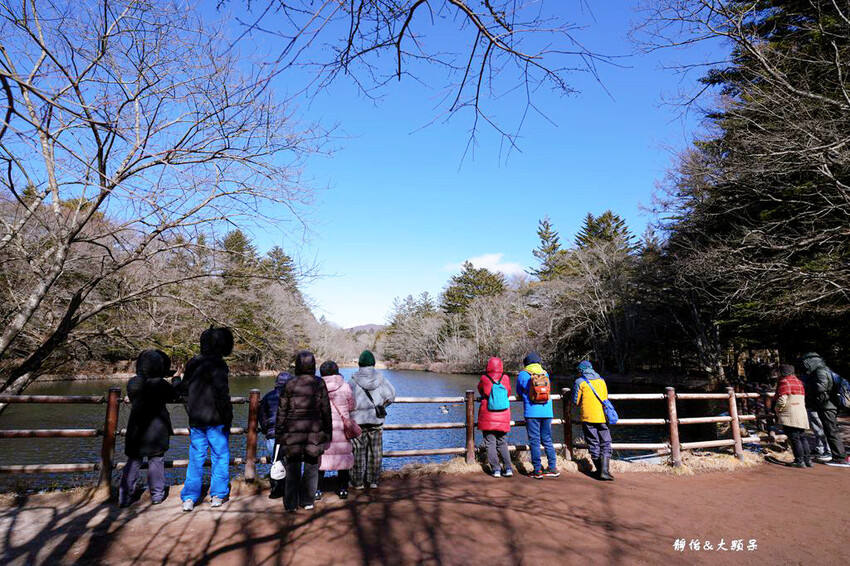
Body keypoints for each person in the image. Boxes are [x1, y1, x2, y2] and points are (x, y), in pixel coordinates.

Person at [175, 327, 234, 512]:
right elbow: (221, 394)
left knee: (196, 458)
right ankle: (217, 495)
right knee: (220, 456)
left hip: (197, 420)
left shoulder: (193, 363)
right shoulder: (219, 365)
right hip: (216, 420)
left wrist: (175, 382)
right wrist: (228, 416)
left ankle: (190, 498)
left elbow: (183, 390)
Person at [119, 349, 178, 507]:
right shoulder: (160, 384)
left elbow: (132, 396)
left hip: (136, 427)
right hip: (157, 429)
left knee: (133, 460)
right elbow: (174, 395)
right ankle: (157, 495)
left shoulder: (133, 382)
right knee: (156, 460)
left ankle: (124, 497)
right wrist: (176, 379)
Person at [275, 351, 332, 512]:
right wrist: (328, 433)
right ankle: (307, 500)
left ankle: (291, 503)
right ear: (313, 365)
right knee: (311, 467)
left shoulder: (290, 384)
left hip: (292, 431)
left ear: (297, 365)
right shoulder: (319, 383)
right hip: (314, 431)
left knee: (292, 468)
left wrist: (279, 433)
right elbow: (326, 410)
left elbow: (282, 411)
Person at [348, 350, 396, 489]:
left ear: (360, 363)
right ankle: (373, 480)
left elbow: (347, 398)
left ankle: (357, 482)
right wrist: (382, 405)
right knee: (375, 451)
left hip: (357, 421)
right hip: (376, 420)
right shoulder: (381, 378)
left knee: (357, 452)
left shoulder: (353, 379)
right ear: (373, 363)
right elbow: (391, 395)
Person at [801, 352, 849, 467]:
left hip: (827, 406)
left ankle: (839, 457)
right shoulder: (824, 370)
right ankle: (838, 455)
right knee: (831, 431)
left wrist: (807, 386)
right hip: (828, 405)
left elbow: (821, 387)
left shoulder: (820, 371)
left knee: (831, 431)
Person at [516, 352, 559, 479]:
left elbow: (519, 391)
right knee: (547, 440)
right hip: (547, 411)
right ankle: (553, 468)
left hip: (532, 412)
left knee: (534, 441)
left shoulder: (523, 374)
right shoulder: (545, 373)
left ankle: (537, 470)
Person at [317, 360, 356, 500]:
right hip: (341, 427)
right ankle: (343, 489)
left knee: (321, 457)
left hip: (322, 428)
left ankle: (318, 490)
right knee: (343, 457)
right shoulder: (345, 386)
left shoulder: (317, 387)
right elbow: (352, 405)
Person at [573, 360, 614, 481]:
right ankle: (605, 471)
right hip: (602, 416)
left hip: (588, 417)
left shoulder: (580, 382)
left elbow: (576, 401)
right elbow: (605, 397)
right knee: (606, 442)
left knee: (593, 443)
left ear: (581, 371)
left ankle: (600, 471)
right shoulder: (601, 381)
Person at [258, 370, 293, 499]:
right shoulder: (293, 396)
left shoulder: (268, 396)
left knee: (275, 462)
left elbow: (262, 416)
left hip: (272, 433)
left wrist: (266, 429)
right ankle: (290, 489)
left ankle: (277, 490)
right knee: (290, 462)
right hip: (290, 434)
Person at [477, 357, 513, 477]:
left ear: (488, 366)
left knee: (490, 442)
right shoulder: (506, 378)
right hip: (503, 415)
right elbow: (508, 392)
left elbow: (480, 390)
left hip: (488, 413)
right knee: (502, 442)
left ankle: (496, 469)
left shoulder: (484, 378)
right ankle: (508, 468)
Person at [773, 364, 811, 468]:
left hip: (790, 414)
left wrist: (777, 410)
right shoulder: (798, 382)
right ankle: (807, 460)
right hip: (801, 412)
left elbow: (782, 400)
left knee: (795, 438)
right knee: (802, 436)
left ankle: (799, 461)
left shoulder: (785, 382)